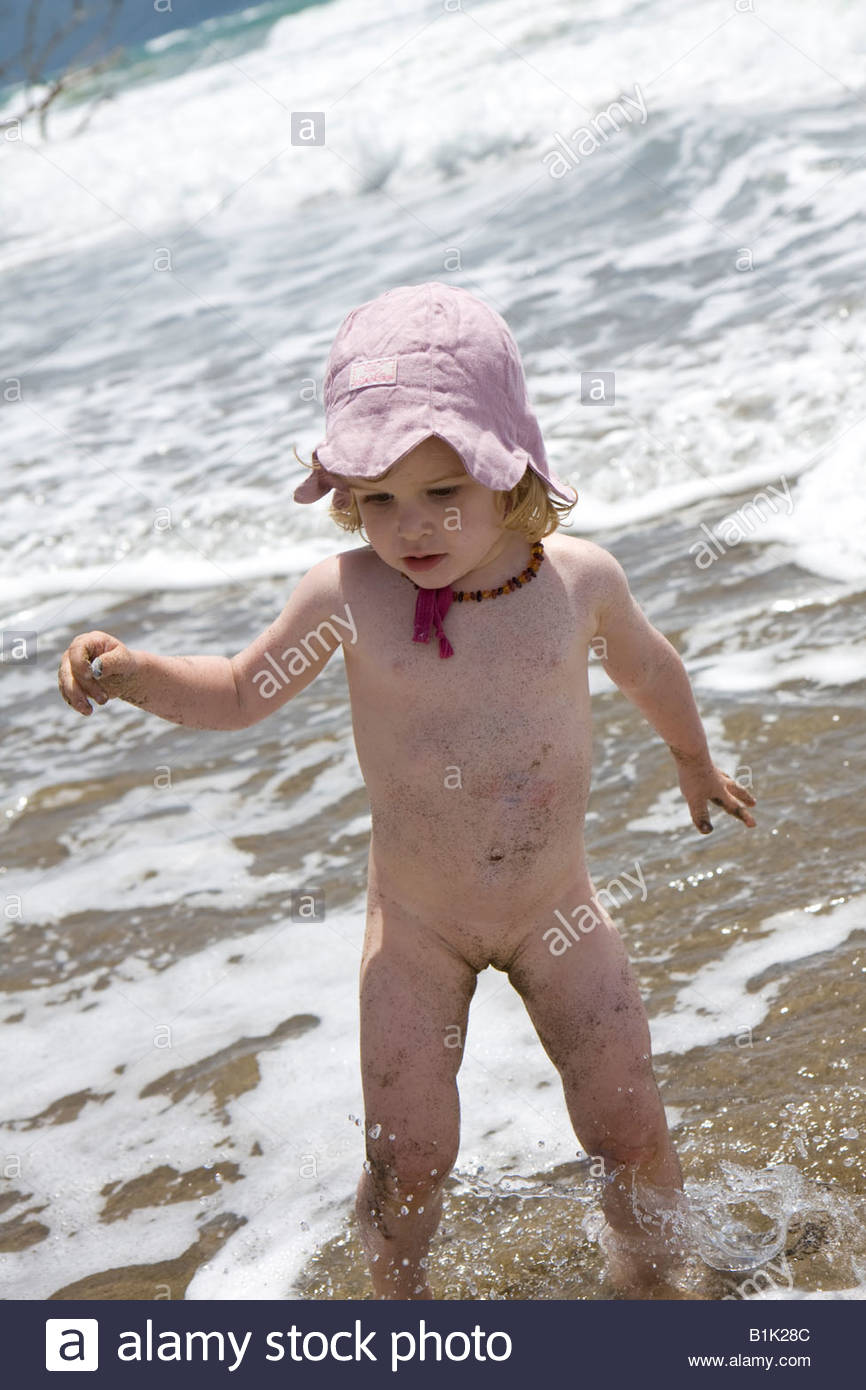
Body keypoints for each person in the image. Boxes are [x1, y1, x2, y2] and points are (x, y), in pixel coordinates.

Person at [58, 281, 757, 1299]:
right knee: (409, 1154)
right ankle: (396, 1315)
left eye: (442, 493)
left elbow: (648, 668)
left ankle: (651, 1290)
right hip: (415, 931)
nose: (410, 527)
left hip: (557, 910)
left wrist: (690, 759)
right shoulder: (344, 595)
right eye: (377, 499)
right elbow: (241, 691)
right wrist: (135, 672)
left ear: (505, 467)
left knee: (627, 1120)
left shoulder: (573, 584)